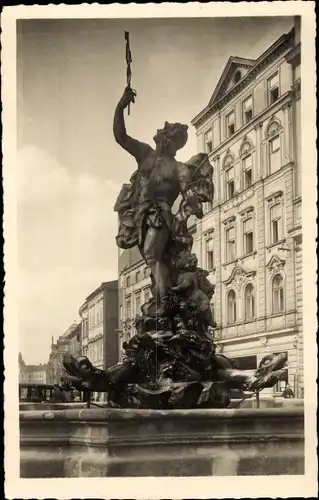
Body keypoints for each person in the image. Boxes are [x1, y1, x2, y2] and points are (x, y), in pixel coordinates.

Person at [113, 87, 213, 317]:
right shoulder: (146, 154)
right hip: (143, 215)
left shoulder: (178, 168)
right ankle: (162, 299)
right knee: (155, 262)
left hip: (162, 216)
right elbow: (120, 137)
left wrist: (189, 211)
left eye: (162, 131)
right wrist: (120, 106)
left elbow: (189, 195)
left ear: (168, 139)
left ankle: (165, 304)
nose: (157, 132)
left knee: (151, 256)